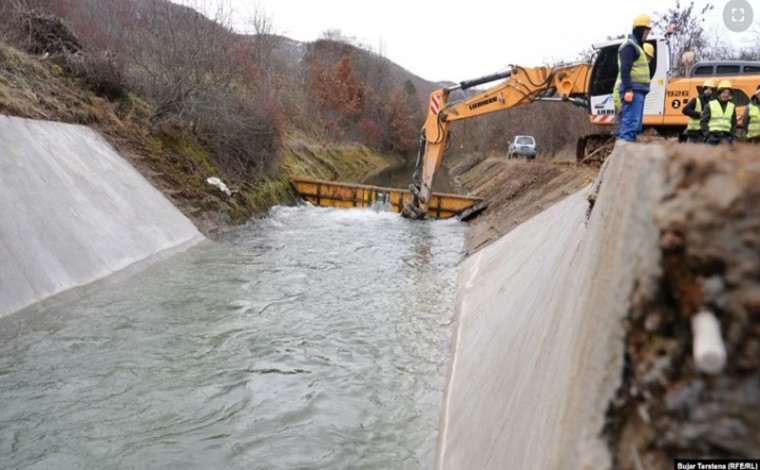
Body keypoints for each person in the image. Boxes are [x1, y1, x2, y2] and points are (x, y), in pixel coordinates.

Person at [616, 14, 653, 143]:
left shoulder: (637, 47)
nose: (647, 34)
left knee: (635, 126)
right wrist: (628, 89)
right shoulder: (629, 46)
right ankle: (622, 159)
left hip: (638, 91)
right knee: (630, 126)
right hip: (633, 91)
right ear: (639, 29)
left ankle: (624, 156)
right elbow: (625, 69)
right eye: (646, 31)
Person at [613, 42, 654, 137]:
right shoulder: (631, 71)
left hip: (622, 100)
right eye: (648, 57)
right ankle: (620, 148)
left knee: (628, 128)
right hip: (622, 101)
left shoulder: (635, 70)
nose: (649, 60)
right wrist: (620, 105)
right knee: (623, 129)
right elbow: (618, 89)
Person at [700, 80, 737, 145]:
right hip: (712, 138)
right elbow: (703, 122)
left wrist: (732, 136)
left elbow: (734, 123)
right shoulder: (710, 105)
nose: (726, 95)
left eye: (728, 93)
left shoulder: (732, 106)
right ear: (719, 93)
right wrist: (708, 135)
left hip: (727, 138)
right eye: (724, 92)